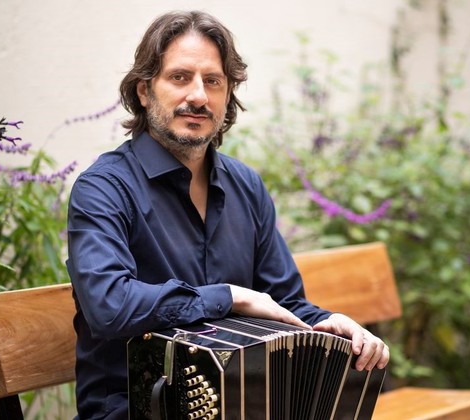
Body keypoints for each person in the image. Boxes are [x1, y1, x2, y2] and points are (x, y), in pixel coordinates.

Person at [66, 10, 389, 419]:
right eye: (180, 77)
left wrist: (330, 323)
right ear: (145, 91)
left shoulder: (246, 186)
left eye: (213, 81)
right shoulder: (103, 189)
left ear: (227, 93)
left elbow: (283, 302)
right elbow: (109, 305)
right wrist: (230, 296)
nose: (198, 96)